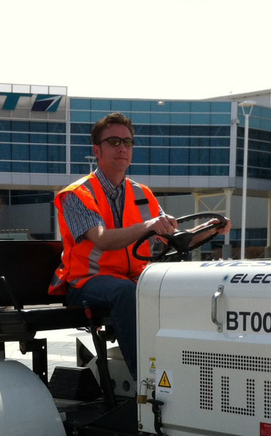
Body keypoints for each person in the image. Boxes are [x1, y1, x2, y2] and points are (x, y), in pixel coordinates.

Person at [49, 112, 230, 377]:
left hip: (135, 279)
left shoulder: (141, 193)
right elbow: (101, 238)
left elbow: (173, 237)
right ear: (97, 150)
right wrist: (148, 225)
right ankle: (146, 381)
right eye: (114, 141)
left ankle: (189, 371)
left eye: (128, 142)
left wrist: (212, 228)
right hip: (87, 282)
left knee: (184, 284)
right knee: (125, 292)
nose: (123, 147)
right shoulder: (77, 195)